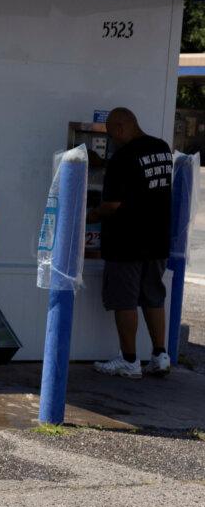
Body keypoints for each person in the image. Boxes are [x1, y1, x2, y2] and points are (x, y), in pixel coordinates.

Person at [87, 107, 173, 378]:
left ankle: (129, 360)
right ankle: (160, 355)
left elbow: (112, 205)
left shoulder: (122, 157)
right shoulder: (161, 148)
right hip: (157, 237)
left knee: (125, 300)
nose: (111, 140)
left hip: (127, 240)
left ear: (122, 128)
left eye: (112, 135)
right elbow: (143, 181)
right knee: (153, 297)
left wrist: (88, 215)